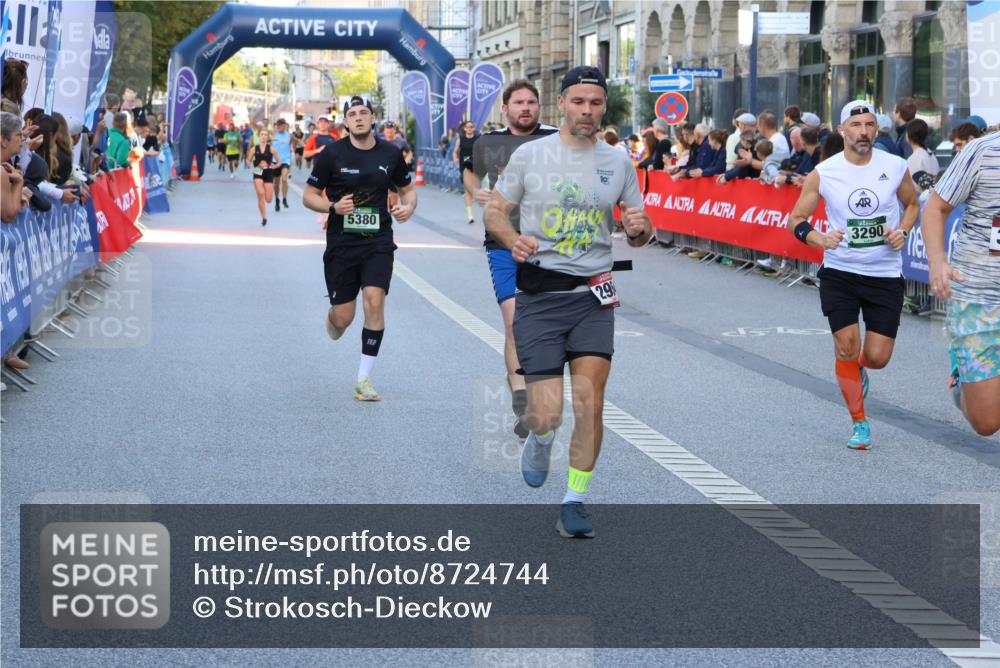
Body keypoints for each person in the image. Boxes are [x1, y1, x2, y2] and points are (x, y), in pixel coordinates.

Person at [484, 66, 652, 538]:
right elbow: (494, 210)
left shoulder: (618, 161)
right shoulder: (531, 156)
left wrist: (640, 230)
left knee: (591, 403)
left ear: (604, 107)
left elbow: (640, 226)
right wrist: (512, 237)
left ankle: (575, 500)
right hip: (539, 297)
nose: (587, 111)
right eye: (578, 102)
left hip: (593, 298)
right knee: (546, 414)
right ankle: (539, 440)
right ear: (562, 104)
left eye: (595, 103)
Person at [786, 100, 920, 450]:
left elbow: (913, 205)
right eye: (856, 125)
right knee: (846, 347)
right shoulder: (824, 172)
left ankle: (856, 369)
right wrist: (820, 238)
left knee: (876, 357)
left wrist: (903, 232)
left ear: (877, 130)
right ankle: (859, 423)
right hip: (841, 272)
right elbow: (797, 220)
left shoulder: (895, 165)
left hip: (884, 273)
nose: (864, 131)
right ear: (842, 130)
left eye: (870, 125)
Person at [302, 96, 417, 401]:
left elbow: (407, 190)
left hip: (378, 241)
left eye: (364, 112)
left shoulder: (391, 153)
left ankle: (363, 379)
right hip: (342, 243)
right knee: (344, 318)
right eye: (352, 114)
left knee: (374, 299)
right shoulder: (332, 154)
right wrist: (331, 206)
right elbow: (309, 195)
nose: (359, 118)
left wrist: (409, 207)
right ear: (346, 122)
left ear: (373, 118)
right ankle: (333, 318)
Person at [467, 79, 558, 438]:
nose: (526, 107)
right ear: (505, 108)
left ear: (540, 106)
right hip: (503, 242)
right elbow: (471, 176)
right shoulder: (488, 143)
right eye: (518, 102)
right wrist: (480, 194)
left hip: (550, 245)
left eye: (531, 102)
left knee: (546, 326)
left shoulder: (556, 141)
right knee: (514, 322)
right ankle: (522, 402)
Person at [923, 130, 1000, 437]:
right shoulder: (982, 151)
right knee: (986, 423)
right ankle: (961, 382)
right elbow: (935, 208)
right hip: (978, 299)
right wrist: (938, 259)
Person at [252, 129, 280, 226]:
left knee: (268, 199)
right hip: (258, 170)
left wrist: (275, 166)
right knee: (260, 194)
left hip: (268, 171)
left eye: (265, 135)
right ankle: (264, 217)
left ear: (268, 137)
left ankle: (265, 191)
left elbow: (279, 162)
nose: (263, 136)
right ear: (259, 136)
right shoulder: (254, 149)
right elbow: (248, 160)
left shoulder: (271, 149)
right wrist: (251, 163)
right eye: (262, 134)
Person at [452, 120, 479, 224]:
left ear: (474, 128)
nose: (469, 129)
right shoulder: (461, 139)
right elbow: (455, 151)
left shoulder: (478, 138)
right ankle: (470, 216)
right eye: (467, 127)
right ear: (464, 129)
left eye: (471, 127)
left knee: (475, 189)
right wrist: (455, 158)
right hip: (464, 165)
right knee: (467, 190)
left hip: (476, 164)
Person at [905, 118, 940, 190]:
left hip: (923, 199)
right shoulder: (929, 152)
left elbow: (915, 187)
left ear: (909, 135)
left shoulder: (913, 159)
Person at [271, 118, 294, 211]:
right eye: (277, 125)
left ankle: (284, 198)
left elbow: (297, 142)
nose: (279, 127)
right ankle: (277, 199)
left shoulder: (290, 136)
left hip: (285, 161)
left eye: (281, 125)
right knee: (276, 183)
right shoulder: (273, 135)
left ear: (285, 125)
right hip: (275, 161)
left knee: (284, 179)